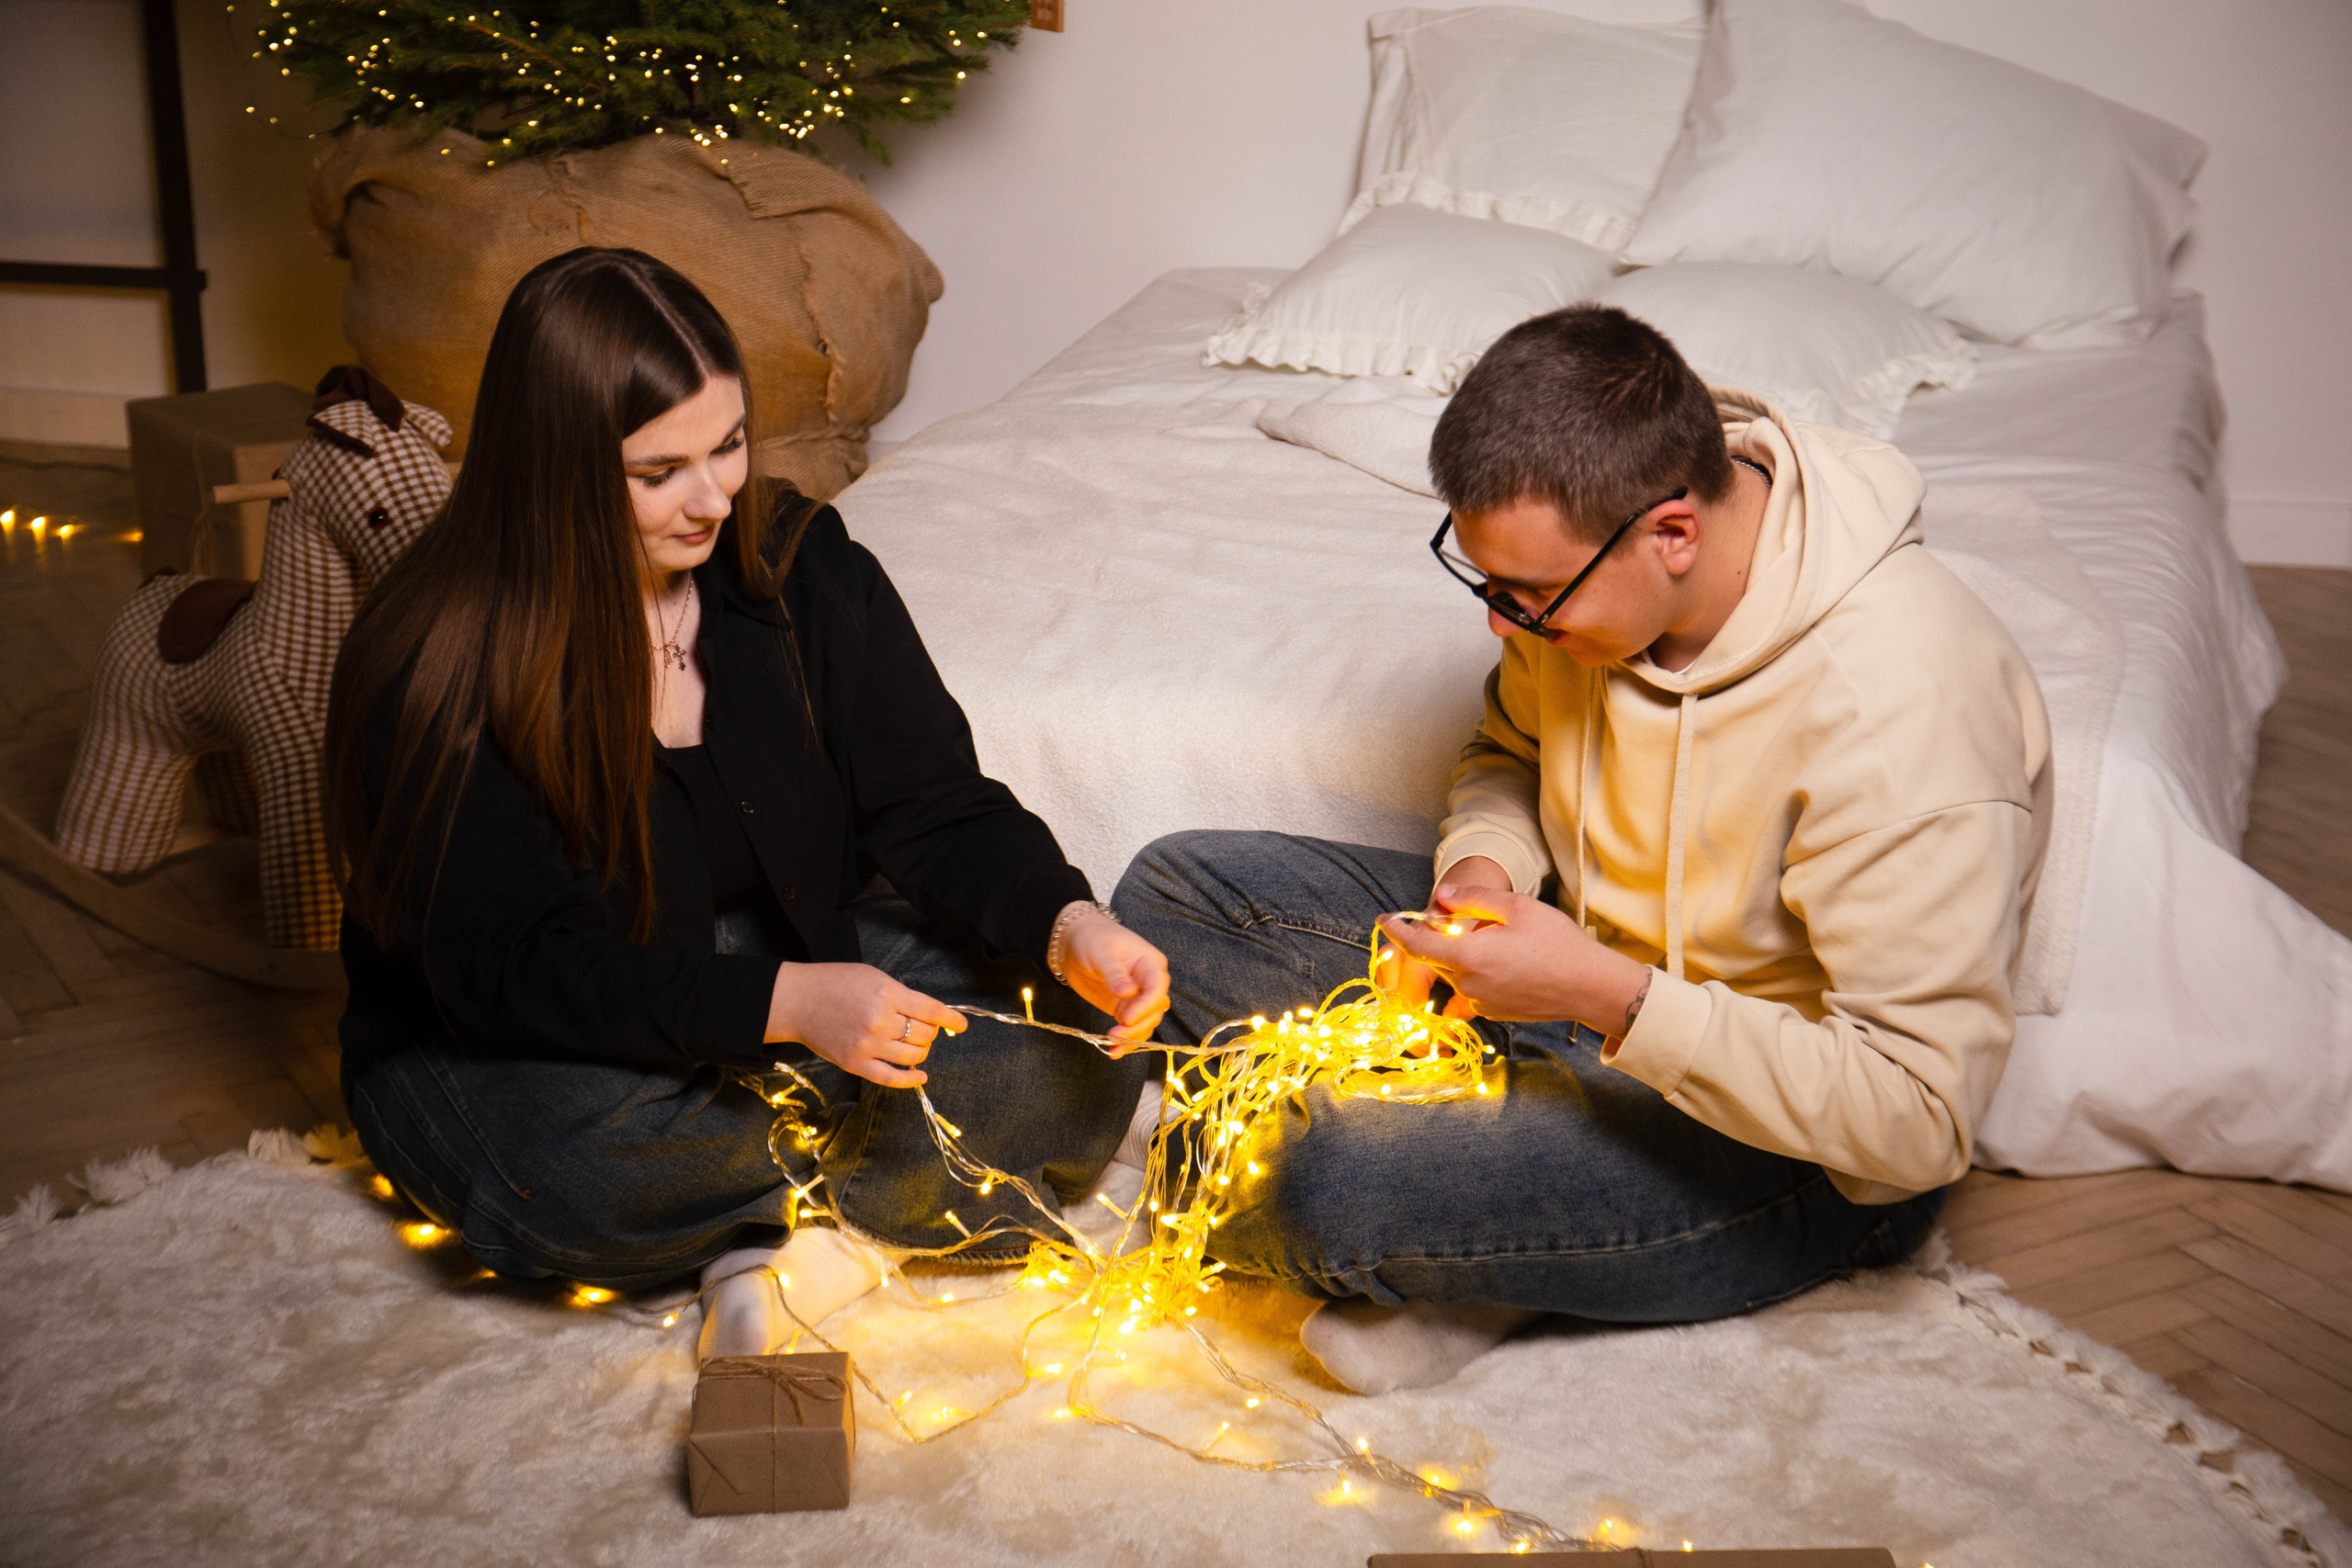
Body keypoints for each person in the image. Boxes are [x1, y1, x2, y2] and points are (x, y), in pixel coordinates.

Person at [1114, 305, 2052, 1394]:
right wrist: (1480, 875)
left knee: (1303, 1178)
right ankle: (1500, 1233)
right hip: (1574, 981)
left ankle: (1472, 1226)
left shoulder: (1907, 703)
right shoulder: (1585, 587)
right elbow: (1508, 751)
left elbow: (1916, 1121)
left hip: (1797, 1149)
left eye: (1529, 597)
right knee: (1178, 894)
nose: (1502, 626)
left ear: (1672, 534)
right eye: (1486, 584)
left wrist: (1606, 996)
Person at [323, 247, 1170, 1359]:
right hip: (524, 1027)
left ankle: (764, 1221)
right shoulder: (435, 656)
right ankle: (896, 1179)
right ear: (554, 472)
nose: (713, 497)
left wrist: (1069, 925)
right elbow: (520, 971)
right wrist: (790, 1007)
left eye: (728, 445)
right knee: (563, 1172)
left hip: (778, 951)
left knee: (1059, 1023)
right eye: (659, 471)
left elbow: (932, 799)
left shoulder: (796, 561)